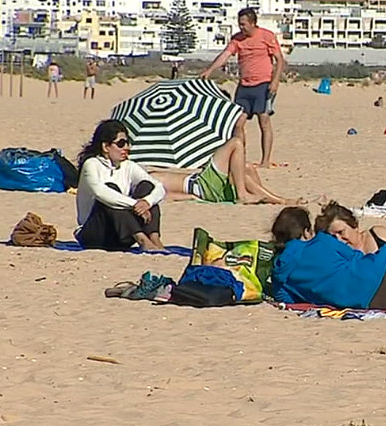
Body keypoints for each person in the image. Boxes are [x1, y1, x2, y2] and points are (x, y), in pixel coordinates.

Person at [200, 8, 286, 168]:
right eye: (239, 24)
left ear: (253, 23)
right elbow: (225, 55)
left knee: (264, 121)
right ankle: (241, 157)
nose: (241, 27)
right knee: (238, 122)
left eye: (244, 24)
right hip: (244, 86)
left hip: (263, 85)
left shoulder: (266, 36)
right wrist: (210, 70)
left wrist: (275, 81)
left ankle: (265, 161)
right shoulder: (237, 39)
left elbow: (279, 60)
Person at [75, 120, 167, 252]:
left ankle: (154, 239)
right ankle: (142, 239)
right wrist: (135, 204)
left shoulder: (128, 166)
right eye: (121, 144)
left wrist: (147, 202)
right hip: (95, 234)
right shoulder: (91, 165)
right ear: (106, 147)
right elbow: (101, 192)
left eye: (127, 143)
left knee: (147, 187)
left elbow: (159, 187)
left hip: (121, 232)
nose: (127, 148)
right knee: (111, 189)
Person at [151, 136, 307, 205]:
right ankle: (245, 195)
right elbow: (166, 196)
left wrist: (192, 196)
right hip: (203, 186)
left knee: (247, 168)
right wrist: (192, 197)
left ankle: (267, 197)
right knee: (236, 143)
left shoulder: (150, 177)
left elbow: (169, 194)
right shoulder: (149, 181)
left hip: (201, 183)